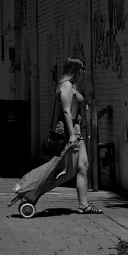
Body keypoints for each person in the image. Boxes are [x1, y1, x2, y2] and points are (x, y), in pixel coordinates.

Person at [55, 56, 102, 214]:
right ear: (75, 69)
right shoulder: (67, 86)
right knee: (71, 169)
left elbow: (88, 96)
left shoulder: (72, 85)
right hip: (71, 130)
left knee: (83, 166)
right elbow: (67, 111)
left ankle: (84, 205)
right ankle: (35, 188)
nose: (83, 71)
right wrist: (72, 135)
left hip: (75, 128)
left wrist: (87, 78)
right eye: (81, 69)